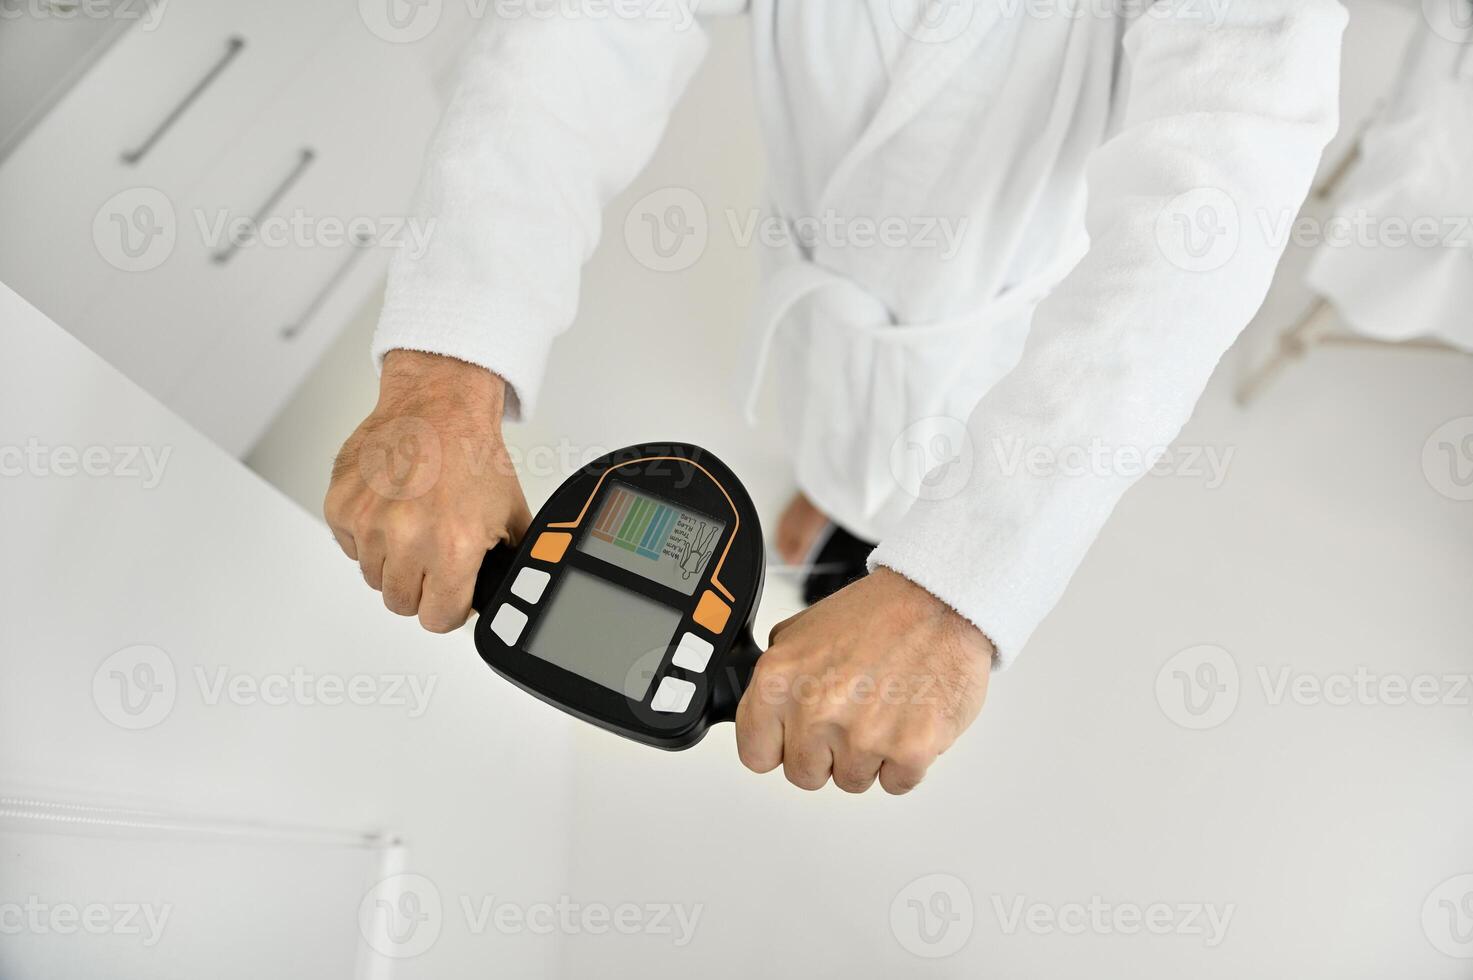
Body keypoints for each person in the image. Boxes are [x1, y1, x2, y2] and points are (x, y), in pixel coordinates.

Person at [324, 1, 1346, 794]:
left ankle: (878, 535)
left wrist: (955, 589)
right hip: (827, 246)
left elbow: (1204, 215)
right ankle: (838, 496)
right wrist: (444, 360)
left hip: (1001, 300)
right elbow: (593, 19)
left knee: (928, 462)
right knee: (835, 423)